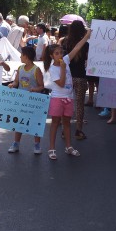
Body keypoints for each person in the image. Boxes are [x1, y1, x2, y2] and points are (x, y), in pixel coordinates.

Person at [44, 29, 91, 160]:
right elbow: (61, 83)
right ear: (52, 56)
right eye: (57, 53)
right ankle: (52, 148)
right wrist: (63, 68)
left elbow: (77, 48)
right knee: (55, 123)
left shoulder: (65, 59)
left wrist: (86, 36)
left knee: (67, 123)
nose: (60, 55)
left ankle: (69, 146)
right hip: (57, 98)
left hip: (68, 98)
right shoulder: (53, 69)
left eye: (61, 53)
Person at [7, 46, 44, 154]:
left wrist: (35, 89)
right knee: (19, 122)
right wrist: (12, 85)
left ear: (26, 56)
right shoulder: (20, 68)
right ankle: (16, 144)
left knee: (35, 122)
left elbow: (42, 86)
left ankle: (37, 145)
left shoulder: (36, 70)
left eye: (21, 54)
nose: (20, 56)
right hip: (22, 101)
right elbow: (16, 82)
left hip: (33, 101)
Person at [63, 20, 89, 140]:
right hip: (80, 76)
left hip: (68, 77)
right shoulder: (86, 44)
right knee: (79, 105)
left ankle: (64, 130)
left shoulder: (65, 42)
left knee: (66, 103)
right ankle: (78, 131)